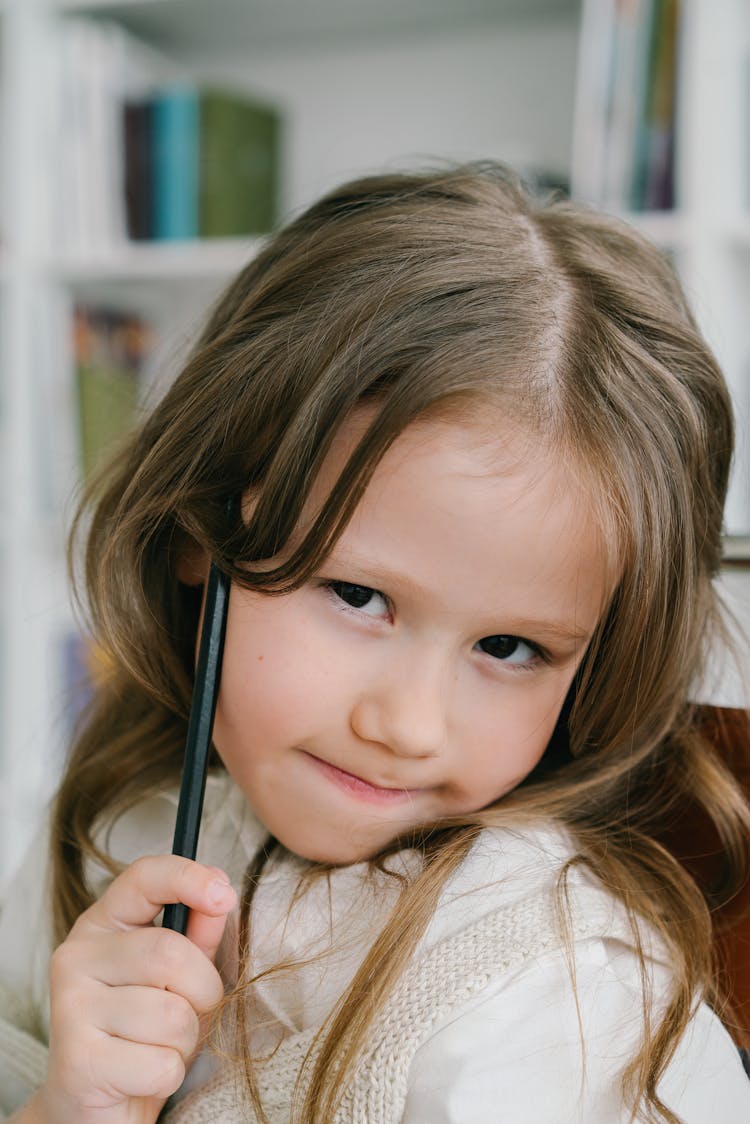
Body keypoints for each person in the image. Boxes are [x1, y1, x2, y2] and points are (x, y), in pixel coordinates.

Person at [1, 163, 749, 1123]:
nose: (407, 725)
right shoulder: (122, 827)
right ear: (201, 534)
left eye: (513, 649)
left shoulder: (545, 999)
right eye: (357, 595)